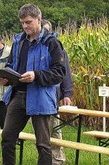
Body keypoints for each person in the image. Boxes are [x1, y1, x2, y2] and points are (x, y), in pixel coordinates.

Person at [0, 4, 66, 165]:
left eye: (28, 22)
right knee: (7, 138)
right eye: (22, 23)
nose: (25, 26)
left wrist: (36, 75)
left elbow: (59, 73)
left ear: (39, 20)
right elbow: (12, 65)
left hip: (40, 97)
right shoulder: (19, 41)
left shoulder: (52, 43)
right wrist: (6, 78)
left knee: (43, 144)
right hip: (18, 95)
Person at [42, 19, 73, 165]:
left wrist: (67, 93)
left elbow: (65, 72)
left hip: (52, 96)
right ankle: (45, 158)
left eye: (46, 31)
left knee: (54, 128)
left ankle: (57, 159)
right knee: (43, 130)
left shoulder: (57, 48)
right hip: (37, 95)